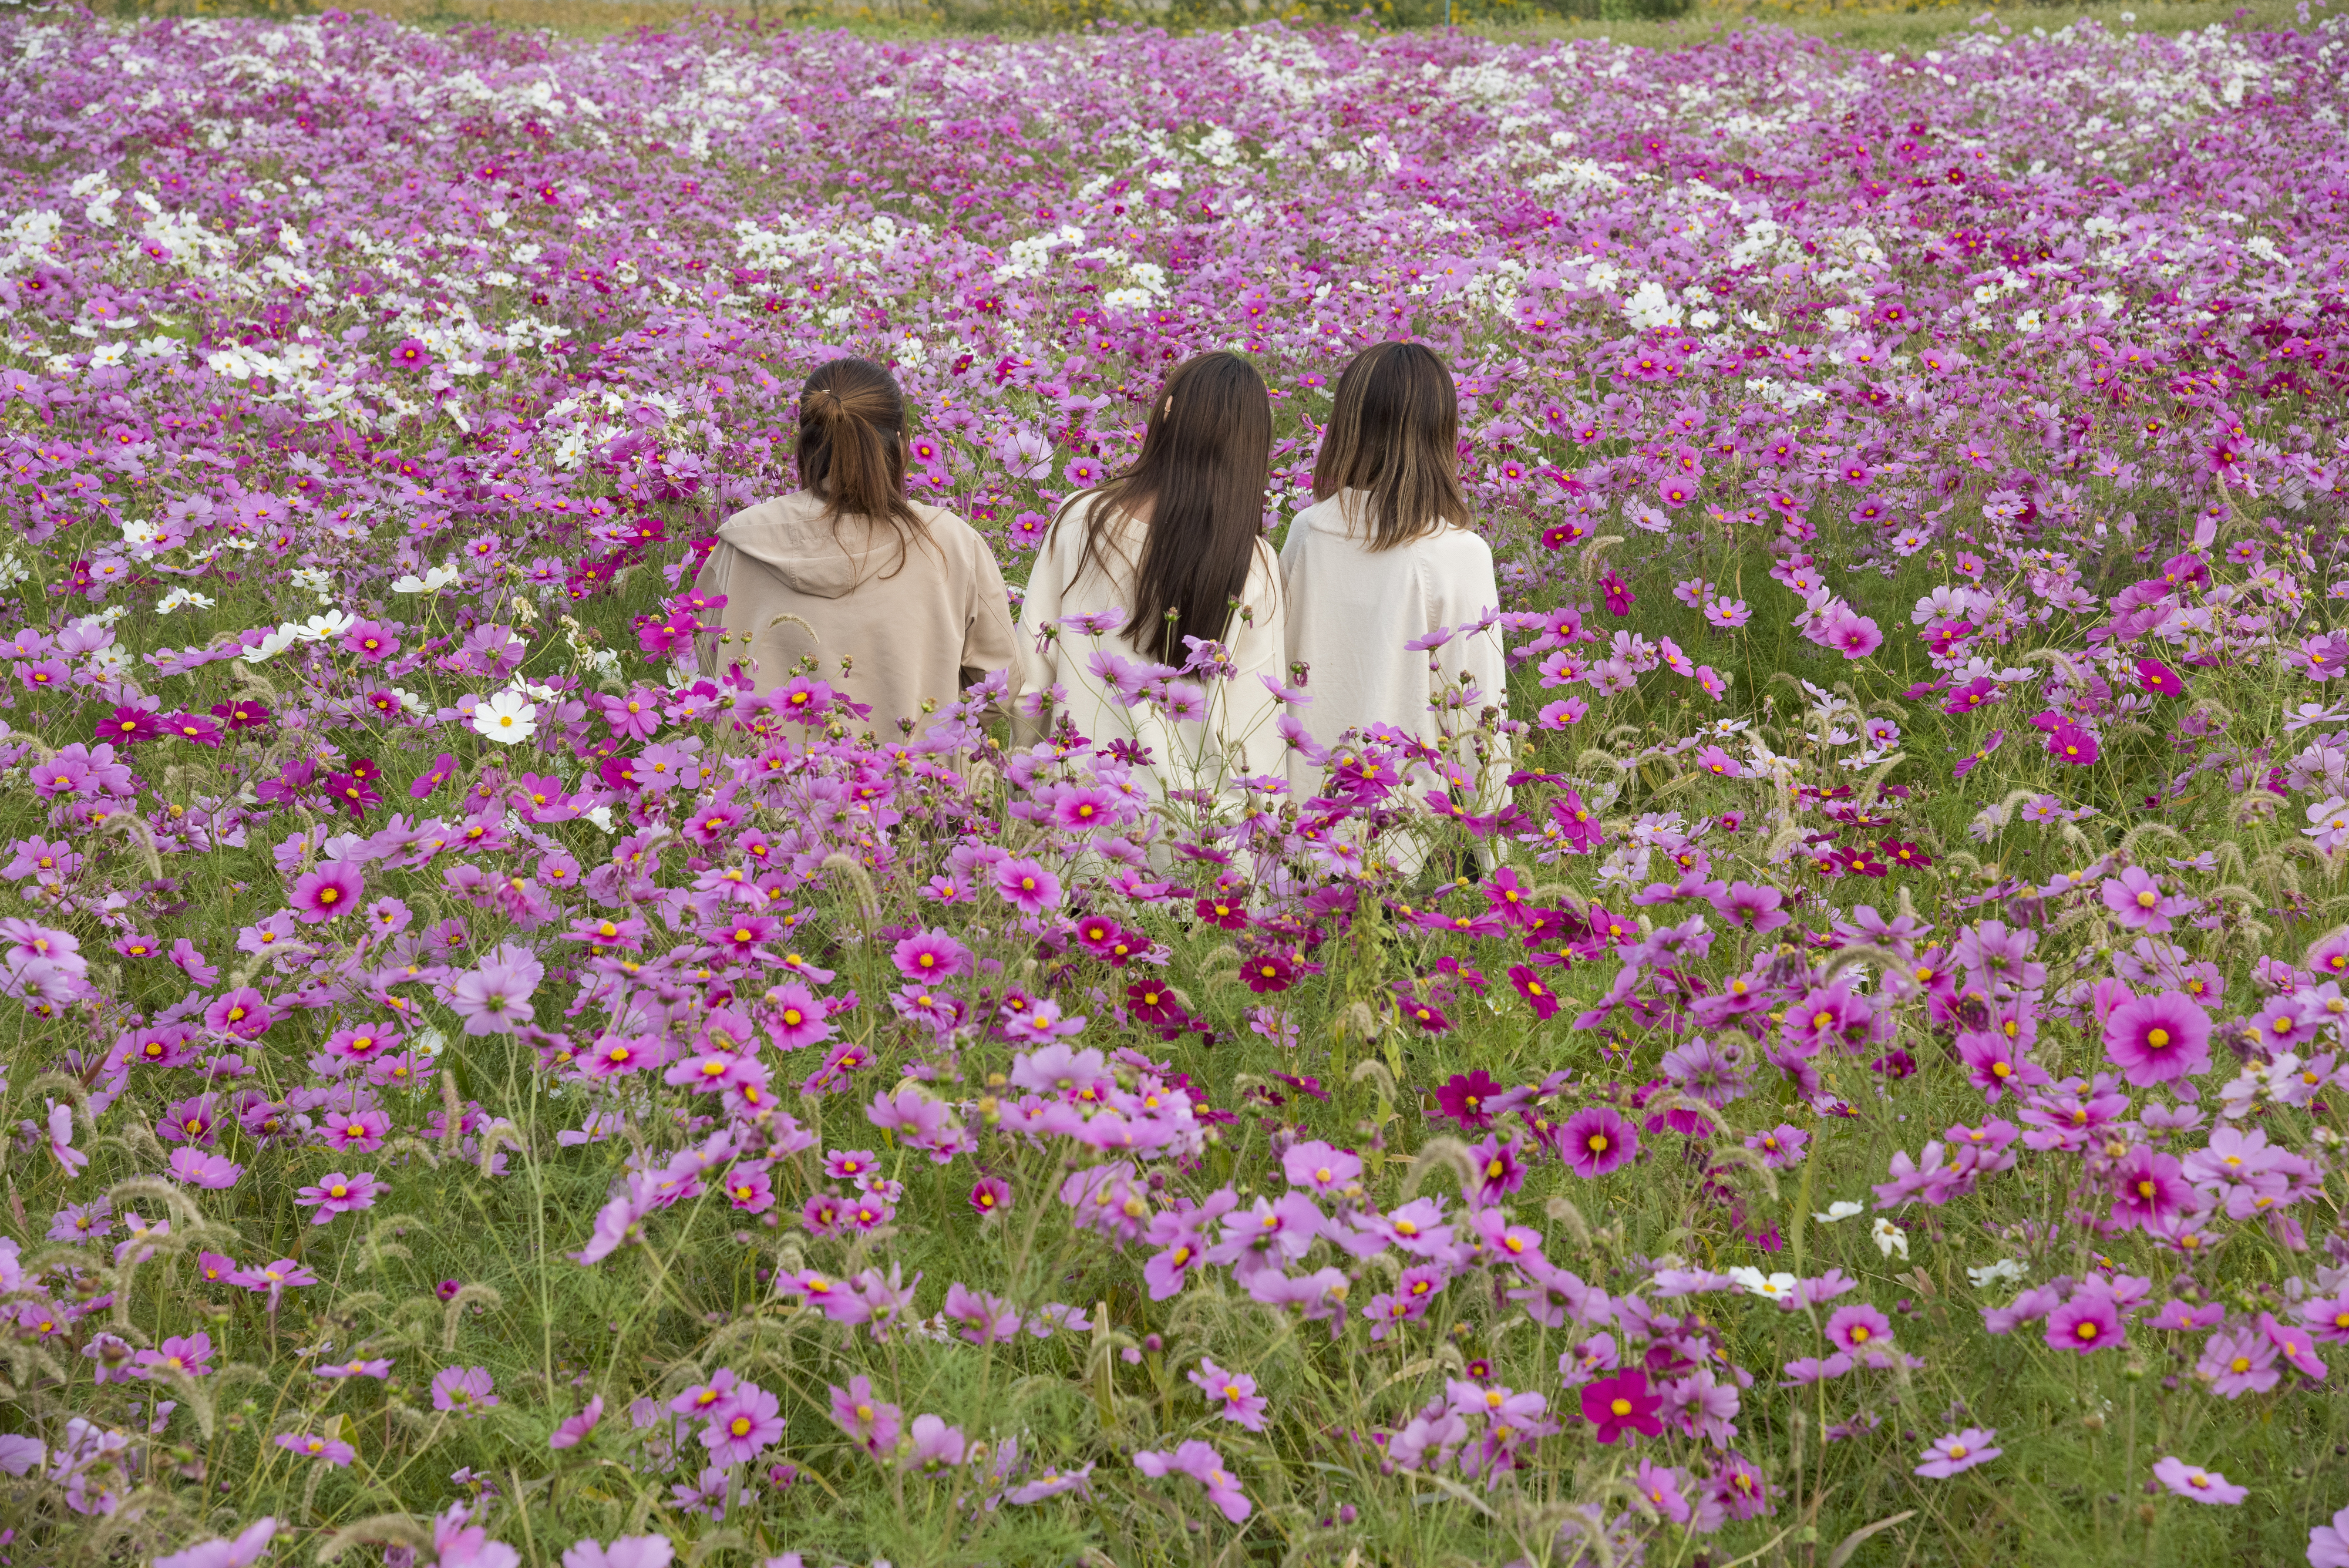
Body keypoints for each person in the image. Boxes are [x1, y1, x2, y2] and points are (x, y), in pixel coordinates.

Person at [1014, 351, 1285, 815]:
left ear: (1166, 411)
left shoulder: (1082, 517)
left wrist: (1027, 780)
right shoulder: (1253, 559)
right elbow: (1254, 723)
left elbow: (1031, 676)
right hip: (1198, 830)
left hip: (1082, 813)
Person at [693, 357, 1017, 736]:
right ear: (901, 444)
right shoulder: (950, 543)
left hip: (768, 784)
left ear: (805, 445)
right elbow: (1000, 686)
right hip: (910, 786)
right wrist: (934, 716)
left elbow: (705, 666)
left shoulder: (741, 542)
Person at [1280, 342, 1510, 832]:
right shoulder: (1460, 554)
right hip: (1405, 836)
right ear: (1441, 435)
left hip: (1299, 828)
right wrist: (1493, 856)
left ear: (1348, 427)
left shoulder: (1307, 530)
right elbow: (1479, 716)